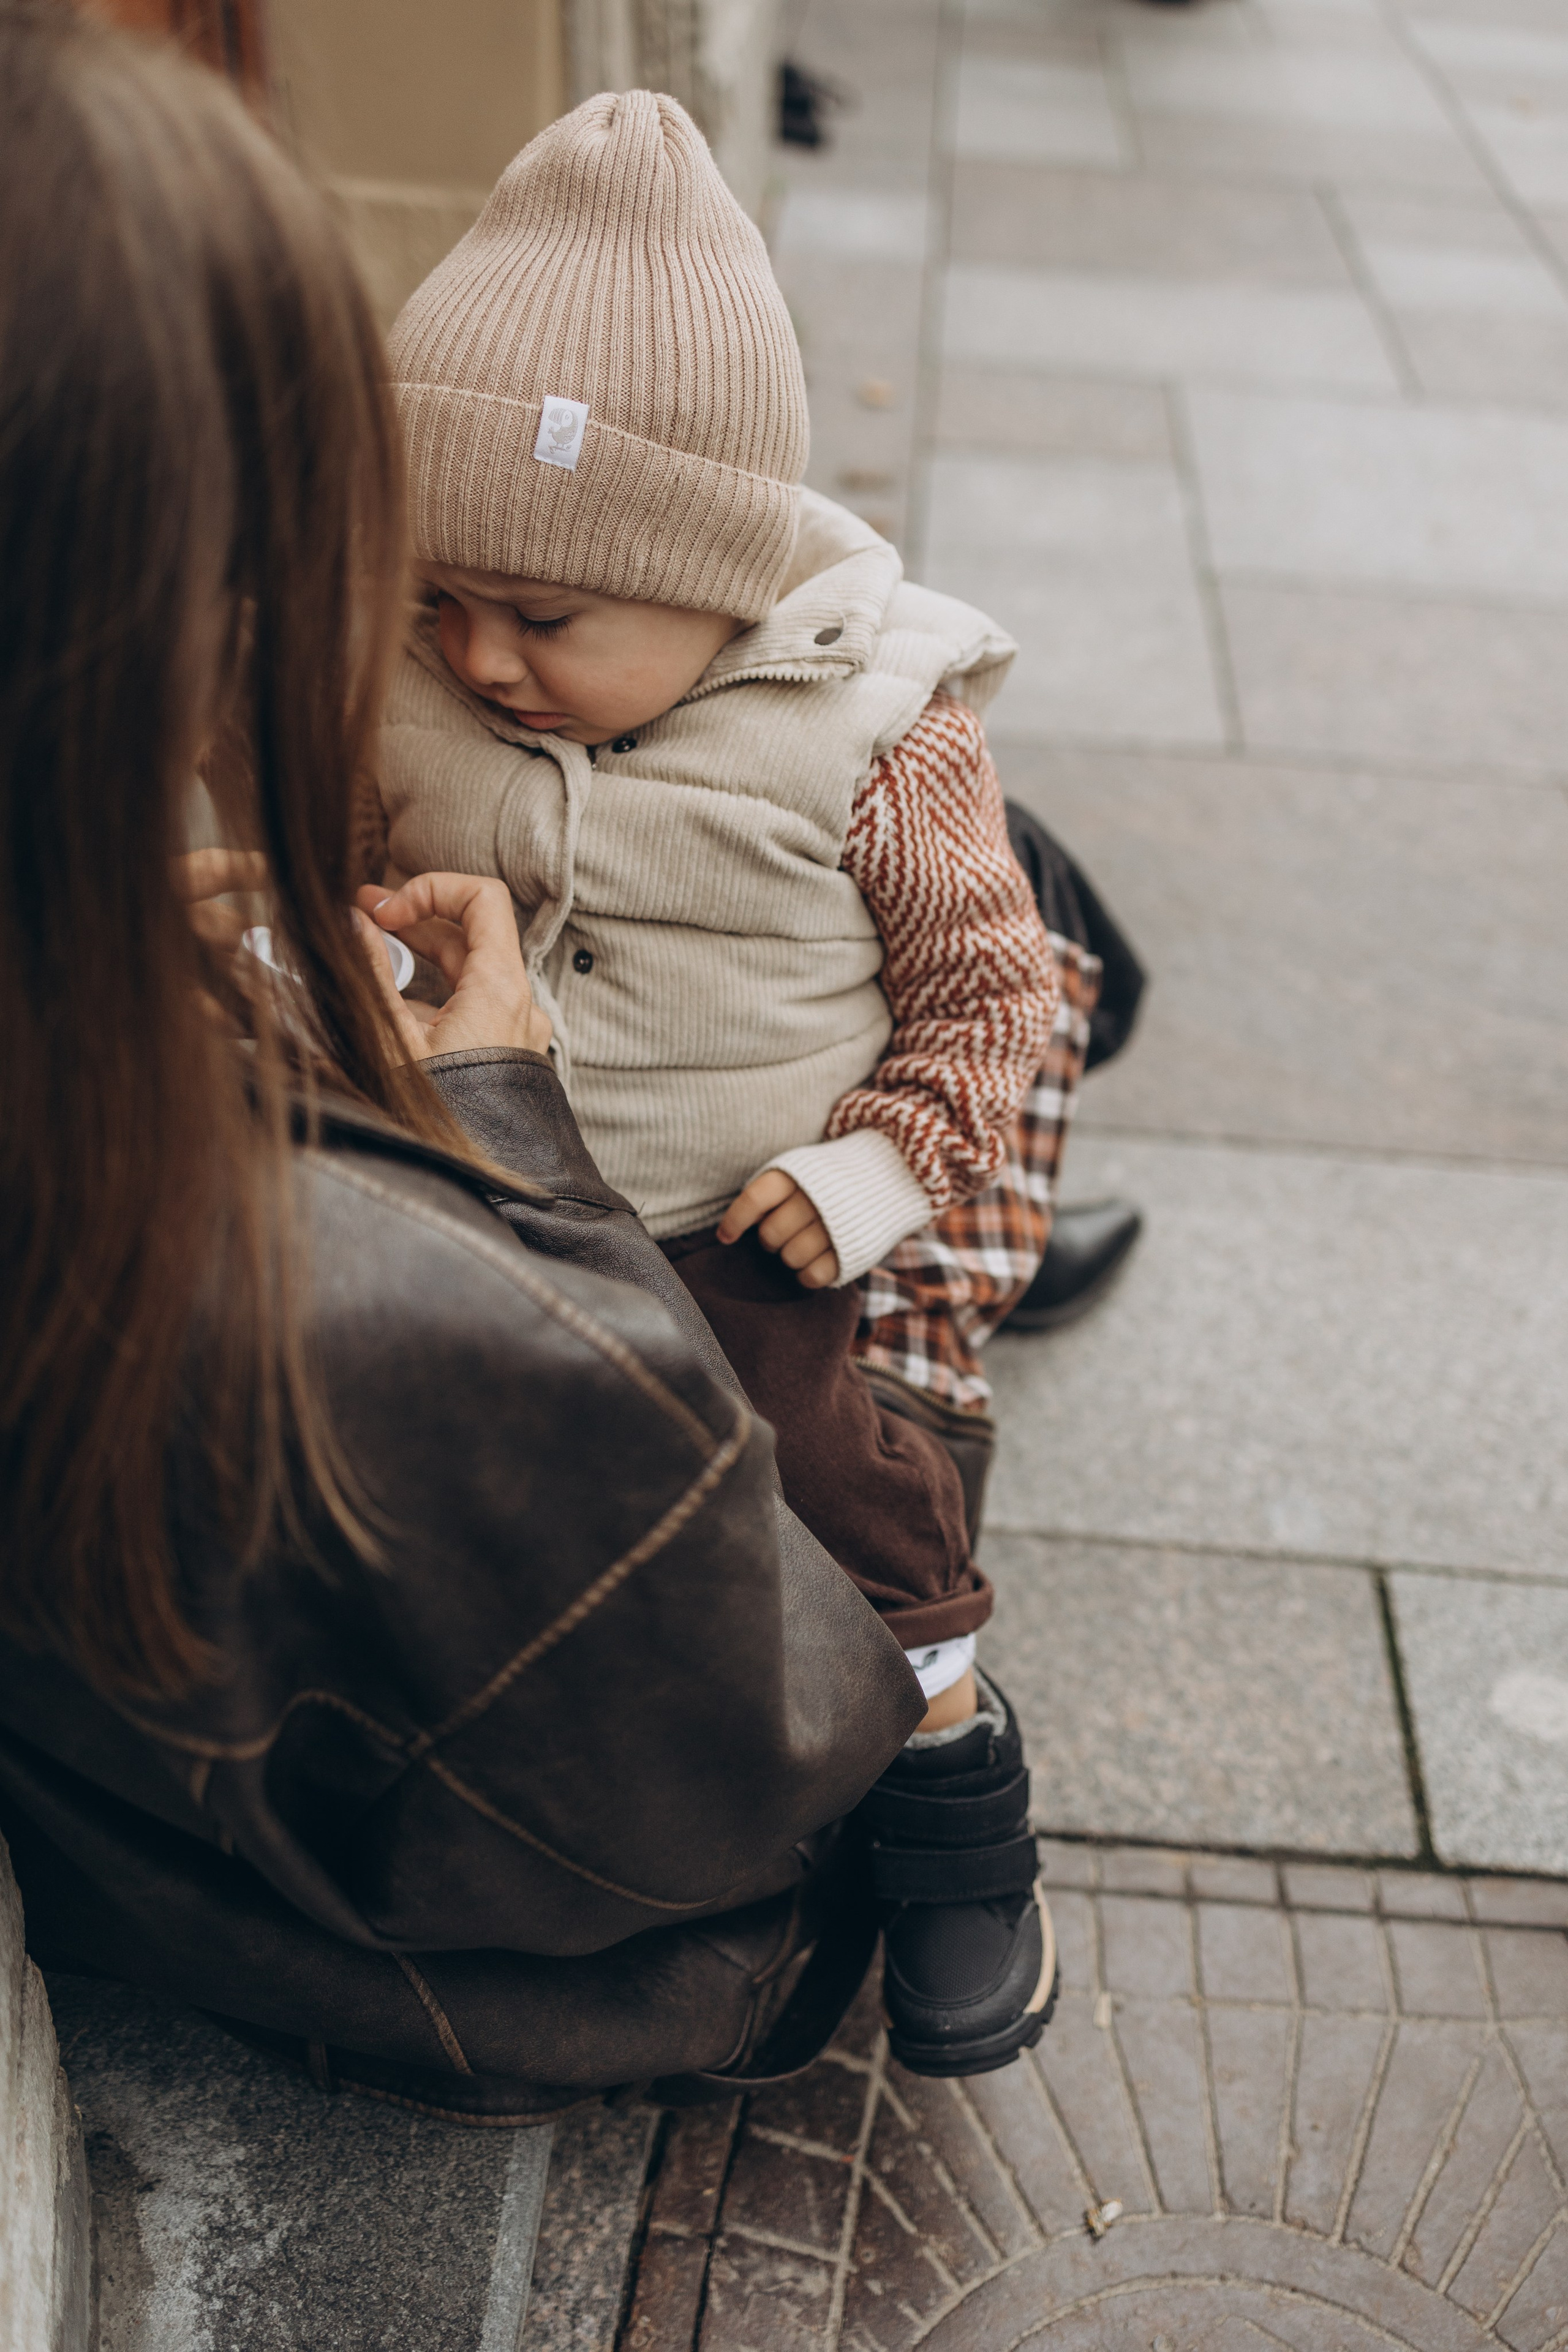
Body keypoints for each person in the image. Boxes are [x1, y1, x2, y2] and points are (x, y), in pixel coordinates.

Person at [0, 3, 944, 2117]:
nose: (430, 659)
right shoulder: (381, 1314)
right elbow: (739, 1755)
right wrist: (512, 1138)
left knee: (959, 871)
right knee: (888, 1486)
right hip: (627, 1971)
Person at [373, 92, 1067, 2073]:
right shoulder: (415, 680)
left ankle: (953, 1810)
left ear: (718, 576)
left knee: (832, 1502)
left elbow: (987, 994)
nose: (478, 657)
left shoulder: (873, 737)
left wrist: (872, 1175)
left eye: (546, 617)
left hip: (736, 1222)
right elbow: (332, 852)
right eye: (443, 597)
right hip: (476, 1201)